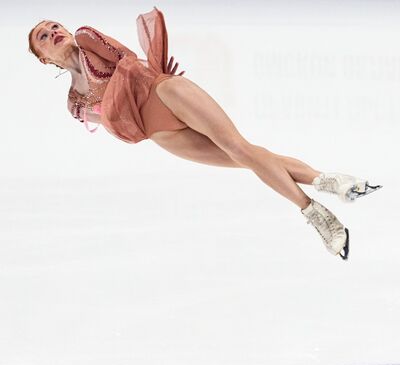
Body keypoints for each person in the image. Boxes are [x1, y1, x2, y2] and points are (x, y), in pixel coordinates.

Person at [28, 7, 381, 260]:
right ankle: (333, 183)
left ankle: (320, 216)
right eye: (43, 36)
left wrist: (151, 72)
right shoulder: (75, 103)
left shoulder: (87, 39)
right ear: (43, 58)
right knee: (245, 160)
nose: (54, 32)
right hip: (157, 131)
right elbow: (116, 122)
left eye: (55, 25)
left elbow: (127, 60)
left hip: (163, 92)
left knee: (241, 149)